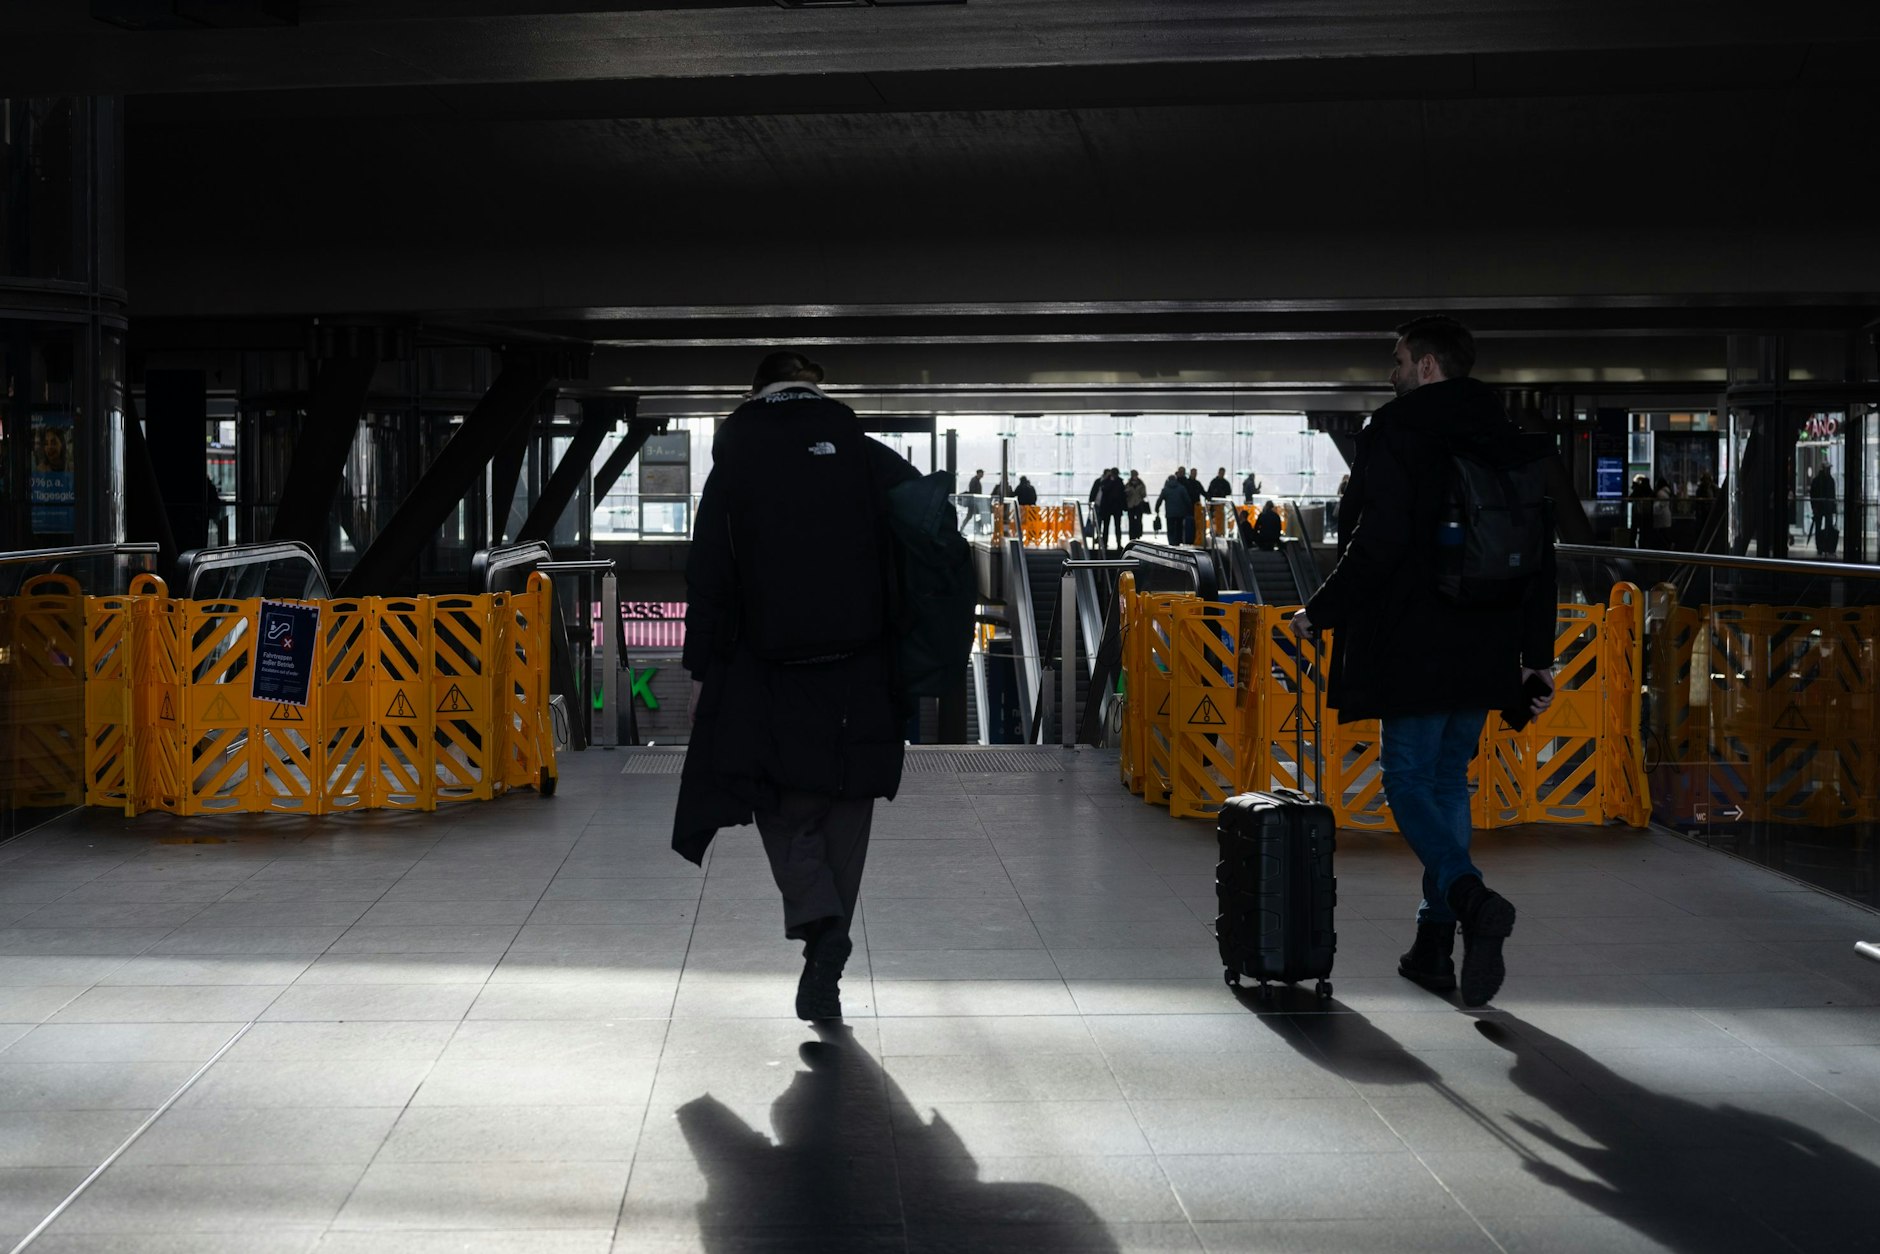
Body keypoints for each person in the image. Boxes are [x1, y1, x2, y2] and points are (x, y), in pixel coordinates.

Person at [1289, 316, 1555, 1009]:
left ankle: (1469, 898)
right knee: (1449, 779)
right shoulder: (1507, 434)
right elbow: (1538, 553)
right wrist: (1536, 655)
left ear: (1430, 365)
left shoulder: (1399, 432)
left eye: (1401, 359)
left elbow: (1377, 545)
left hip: (1415, 637)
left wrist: (1317, 613)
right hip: (1489, 636)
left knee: (1405, 779)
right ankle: (1434, 946)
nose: (1394, 371)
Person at [675, 350, 915, 1022]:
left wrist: (701, 669)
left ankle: (821, 923)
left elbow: (709, 567)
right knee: (849, 802)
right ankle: (826, 945)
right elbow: (919, 533)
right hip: (864, 664)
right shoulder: (858, 446)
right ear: (815, 388)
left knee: (780, 799)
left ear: (757, 389)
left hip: (768, 664)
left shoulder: (740, 445)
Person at [1156, 466, 1194, 544]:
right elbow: (1187, 500)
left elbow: (1159, 500)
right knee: (1179, 528)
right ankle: (1177, 542)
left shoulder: (1165, 489)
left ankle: (1171, 542)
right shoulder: (1181, 488)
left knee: (1170, 529)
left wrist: (1157, 508)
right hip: (1180, 513)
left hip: (1170, 513)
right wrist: (1189, 509)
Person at [1094, 467, 1127, 553]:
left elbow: (1122, 494)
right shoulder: (1114, 482)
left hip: (1111, 508)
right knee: (1109, 527)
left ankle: (1115, 543)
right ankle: (1107, 543)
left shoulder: (1113, 482)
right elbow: (1105, 490)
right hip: (1111, 508)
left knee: (1112, 527)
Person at [1809, 464, 1836, 549]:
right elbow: (1813, 495)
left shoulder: (1820, 480)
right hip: (1821, 507)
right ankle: (1822, 545)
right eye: (1827, 469)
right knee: (1821, 526)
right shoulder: (1827, 480)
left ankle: (1823, 545)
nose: (1828, 470)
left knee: (1824, 526)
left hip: (1823, 507)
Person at [1124, 469, 1148, 540]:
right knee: (1131, 521)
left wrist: (1141, 493)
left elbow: (1144, 494)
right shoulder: (1128, 484)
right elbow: (1125, 493)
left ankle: (1138, 534)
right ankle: (1132, 535)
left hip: (1138, 503)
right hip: (1131, 504)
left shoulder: (1141, 484)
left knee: (1139, 520)